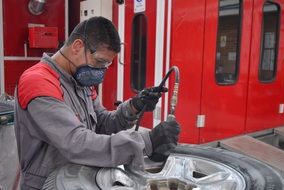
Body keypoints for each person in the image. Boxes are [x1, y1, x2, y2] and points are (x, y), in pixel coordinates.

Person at [14, 16, 180, 189]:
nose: (101, 71)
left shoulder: (80, 80)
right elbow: (76, 142)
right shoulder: (39, 81)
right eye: (99, 61)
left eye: (106, 65)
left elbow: (102, 123)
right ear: (77, 46)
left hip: (80, 179)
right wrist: (146, 141)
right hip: (46, 185)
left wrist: (134, 106)